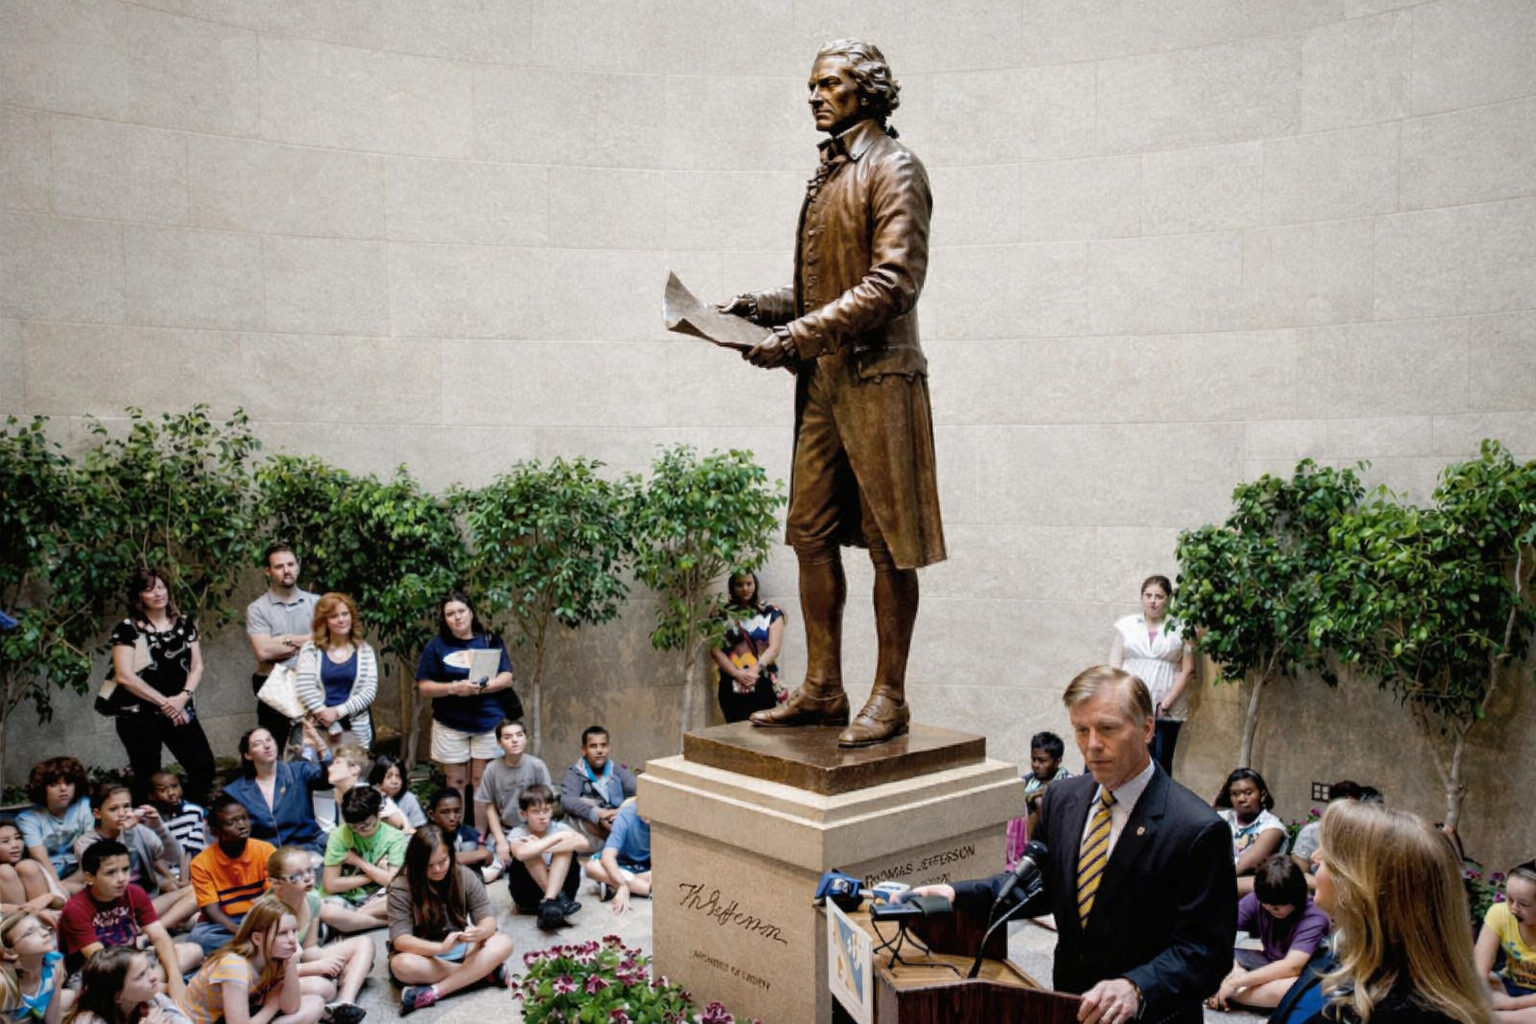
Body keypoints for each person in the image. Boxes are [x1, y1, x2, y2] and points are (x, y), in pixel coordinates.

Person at [720, 38, 945, 748]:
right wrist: (766, 307)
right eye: (813, 86)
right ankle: (822, 687)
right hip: (825, 381)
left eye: (830, 84)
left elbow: (893, 282)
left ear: (868, 91)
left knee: (888, 548)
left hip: (879, 382)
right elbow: (828, 290)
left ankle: (891, 696)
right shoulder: (827, 173)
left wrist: (797, 336)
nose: (814, 96)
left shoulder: (894, 167)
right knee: (809, 535)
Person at [919, 666, 1235, 1024]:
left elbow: (1207, 951)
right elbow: (1037, 885)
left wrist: (1137, 986)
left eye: (1108, 729)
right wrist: (954, 895)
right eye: (1081, 730)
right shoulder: (1062, 798)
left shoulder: (1197, 828)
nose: (1092, 745)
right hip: (1069, 1004)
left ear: (1147, 729)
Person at [1267, 800, 1490, 1024]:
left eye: (1329, 855)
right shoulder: (1348, 955)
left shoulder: (1400, 1012)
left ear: (1362, 887)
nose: (1315, 857)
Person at [107, 570, 217, 806]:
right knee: (147, 776)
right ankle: (153, 827)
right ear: (139, 596)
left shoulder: (185, 624)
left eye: (161, 587)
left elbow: (197, 667)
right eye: (149, 589)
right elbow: (124, 676)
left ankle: (189, 816)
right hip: (138, 715)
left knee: (203, 766)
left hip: (179, 708)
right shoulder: (127, 628)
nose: (157, 593)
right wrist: (165, 703)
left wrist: (182, 698)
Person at [385, 827, 512, 1016]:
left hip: (464, 949)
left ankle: (433, 992)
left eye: (443, 861)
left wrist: (480, 932)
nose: (437, 869)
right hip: (426, 956)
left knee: (504, 943)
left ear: (451, 855)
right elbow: (401, 940)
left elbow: (488, 921)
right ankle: (482, 974)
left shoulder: (464, 875)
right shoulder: (401, 887)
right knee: (401, 965)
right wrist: (440, 949)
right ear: (416, 863)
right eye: (429, 865)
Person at [415, 592, 516, 825]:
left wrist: (485, 686)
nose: (456, 617)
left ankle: (481, 835)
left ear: (471, 612)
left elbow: (507, 676)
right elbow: (425, 686)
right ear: (444, 618)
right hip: (450, 723)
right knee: (456, 781)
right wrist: (453, 688)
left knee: (481, 780)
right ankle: (457, 834)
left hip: (487, 720)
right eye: (450, 614)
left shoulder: (490, 639)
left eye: (461, 611)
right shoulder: (436, 646)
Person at [58, 840, 201, 1000]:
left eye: (125, 870)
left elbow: (159, 936)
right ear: (89, 877)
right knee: (76, 997)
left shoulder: (134, 892)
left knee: (194, 951)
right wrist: (166, 988)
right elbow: (103, 961)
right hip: (95, 973)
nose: (121, 878)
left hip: (134, 961)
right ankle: (147, 989)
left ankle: (140, 990)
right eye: (110, 873)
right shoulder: (75, 909)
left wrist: (176, 980)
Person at [1207, 855, 1331, 1010]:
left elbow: (1292, 966)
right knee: (1210, 952)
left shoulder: (1314, 915)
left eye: (1277, 907)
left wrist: (1236, 982)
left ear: (1296, 898)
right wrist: (1235, 969)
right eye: (1266, 905)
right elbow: (1221, 934)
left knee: (1294, 989)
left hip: (1299, 975)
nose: (1271, 909)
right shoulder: (1259, 900)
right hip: (1263, 963)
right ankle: (1230, 992)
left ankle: (1226, 993)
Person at [176, 895, 324, 1024]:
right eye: (283, 933)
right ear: (257, 939)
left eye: (294, 931)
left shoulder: (277, 958)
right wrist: (271, 1007)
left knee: (315, 1003)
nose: (293, 939)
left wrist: (291, 964)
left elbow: (291, 1008)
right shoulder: (235, 966)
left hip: (227, 1017)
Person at [264, 847, 371, 1024]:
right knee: (325, 988)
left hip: (296, 964)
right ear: (275, 883)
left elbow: (310, 949)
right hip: (271, 979)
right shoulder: (267, 913)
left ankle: (344, 1002)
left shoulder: (312, 898)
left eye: (309, 871)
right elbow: (266, 973)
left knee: (364, 943)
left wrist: (333, 961)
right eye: (295, 876)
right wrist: (317, 967)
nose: (307, 878)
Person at [71, 785, 193, 931]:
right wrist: (126, 835)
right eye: (113, 809)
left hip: (151, 898)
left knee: (196, 897)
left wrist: (158, 826)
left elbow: (174, 856)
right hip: (119, 906)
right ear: (97, 814)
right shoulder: (85, 844)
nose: (122, 813)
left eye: (127, 806)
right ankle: (158, 927)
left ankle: (154, 927)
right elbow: (116, 878)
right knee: (191, 904)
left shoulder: (138, 830)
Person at [1108, 575, 1194, 776]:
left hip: (1164, 708)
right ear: (1142, 597)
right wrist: (1120, 696)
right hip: (1129, 703)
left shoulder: (1181, 627)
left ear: (1168, 599)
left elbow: (1188, 670)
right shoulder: (1127, 625)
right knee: (1127, 755)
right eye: (1148, 595)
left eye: (1159, 596)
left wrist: (1165, 704)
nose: (1153, 601)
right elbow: (1115, 665)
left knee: (1161, 760)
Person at [246, 543, 319, 749]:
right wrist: (307, 640)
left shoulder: (317, 604)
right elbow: (264, 652)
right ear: (267, 571)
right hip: (273, 683)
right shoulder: (258, 609)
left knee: (308, 746)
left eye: (291, 564)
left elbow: (326, 643)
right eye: (279, 566)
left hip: (311, 682)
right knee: (273, 747)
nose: (286, 570)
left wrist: (283, 640)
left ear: (297, 566)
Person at [187, 797, 275, 957]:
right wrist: (242, 933)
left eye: (244, 818)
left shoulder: (265, 850)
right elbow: (212, 911)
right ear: (215, 831)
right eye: (231, 822)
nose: (242, 825)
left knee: (284, 920)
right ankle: (256, 947)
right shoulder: (201, 863)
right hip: (227, 923)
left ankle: (247, 948)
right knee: (198, 937)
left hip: (259, 915)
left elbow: (273, 895)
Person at [222, 728, 330, 855]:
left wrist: (321, 747)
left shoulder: (298, 771)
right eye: (258, 744)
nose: (267, 745)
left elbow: (329, 780)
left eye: (269, 740)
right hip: (265, 857)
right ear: (248, 755)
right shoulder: (235, 791)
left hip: (307, 849)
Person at [294, 594, 377, 752]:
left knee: (355, 772)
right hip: (319, 727)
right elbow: (305, 688)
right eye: (334, 616)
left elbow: (369, 692)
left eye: (345, 614)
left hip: (356, 727)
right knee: (318, 773)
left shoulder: (365, 650)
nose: (341, 620)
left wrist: (338, 712)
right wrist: (324, 715)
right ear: (324, 621)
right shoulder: (311, 649)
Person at [503, 785, 588, 931]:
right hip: (530, 896)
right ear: (524, 814)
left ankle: (548, 901)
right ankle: (553, 900)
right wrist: (554, 839)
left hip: (565, 892)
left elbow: (584, 844)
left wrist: (544, 846)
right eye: (535, 812)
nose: (542, 816)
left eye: (546, 810)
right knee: (529, 851)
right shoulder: (519, 832)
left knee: (565, 848)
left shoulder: (559, 828)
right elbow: (522, 854)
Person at [316, 789, 400, 931]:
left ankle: (352, 920)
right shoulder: (339, 835)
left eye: (366, 825)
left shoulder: (394, 837)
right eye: (353, 827)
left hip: (375, 900)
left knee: (405, 896)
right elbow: (330, 884)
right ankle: (376, 921)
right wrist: (375, 875)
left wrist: (358, 861)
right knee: (327, 909)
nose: (359, 831)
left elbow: (392, 881)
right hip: (342, 899)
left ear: (378, 813)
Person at [709, 573, 787, 722]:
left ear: (755, 584)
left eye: (749, 584)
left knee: (763, 733)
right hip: (730, 683)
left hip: (762, 681)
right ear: (732, 587)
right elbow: (715, 649)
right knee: (734, 732)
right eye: (739, 585)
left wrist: (753, 671)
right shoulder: (721, 614)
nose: (745, 588)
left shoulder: (771, 613)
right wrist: (736, 673)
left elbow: (774, 648)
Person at [474, 720, 550, 869]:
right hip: (505, 830)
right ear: (499, 743)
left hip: (534, 829)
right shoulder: (491, 769)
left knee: (544, 861)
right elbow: (490, 808)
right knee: (493, 868)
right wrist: (501, 841)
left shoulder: (537, 766)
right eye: (507, 737)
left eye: (519, 735)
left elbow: (546, 805)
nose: (515, 740)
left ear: (526, 738)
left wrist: (536, 835)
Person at [17, 758, 94, 898]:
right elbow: (39, 856)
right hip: (46, 878)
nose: (63, 788)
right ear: (43, 788)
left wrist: (63, 887)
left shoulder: (84, 806)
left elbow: (90, 850)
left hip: (81, 874)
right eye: (54, 784)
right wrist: (57, 887)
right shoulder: (28, 818)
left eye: (69, 782)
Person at [65, 945, 191, 1024]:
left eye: (149, 968)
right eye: (140, 976)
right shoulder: (89, 1021)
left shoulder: (152, 999)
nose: (153, 977)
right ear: (117, 996)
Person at [1475, 860, 1536, 1022]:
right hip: (1508, 987)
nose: (1514, 908)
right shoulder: (1499, 913)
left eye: (1524, 904)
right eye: (1509, 899)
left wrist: (1512, 1004)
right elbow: (1478, 969)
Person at [1290, 781, 1380, 890]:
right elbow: (1299, 876)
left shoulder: (1364, 835)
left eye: (1351, 808)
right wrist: (1328, 890)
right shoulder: (1312, 832)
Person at [558, 727, 636, 847]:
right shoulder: (575, 773)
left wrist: (618, 812)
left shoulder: (615, 771)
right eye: (593, 746)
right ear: (584, 750)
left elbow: (638, 788)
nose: (599, 750)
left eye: (603, 745)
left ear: (608, 747)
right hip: (586, 831)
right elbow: (567, 801)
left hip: (614, 822)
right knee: (584, 802)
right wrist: (597, 814)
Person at [1215, 767, 1287, 895]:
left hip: (1249, 885)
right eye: (1234, 794)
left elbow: (1249, 862)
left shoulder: (1272, 826)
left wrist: (1213, 882)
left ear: (1262, 794)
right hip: (1220, 878)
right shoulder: (1221, 817)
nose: (1241, 798)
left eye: (1248, 793)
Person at [1006, 730, 1070, 871]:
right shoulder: (1025, 782)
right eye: (1033, 759)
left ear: (1057, 761)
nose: (1036, 764)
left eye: (1042, 761)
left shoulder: (1068, 785)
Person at [319, 746, 409, 837]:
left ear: (354, 769)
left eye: (337, 763)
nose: (330, 769)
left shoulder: (369, 795)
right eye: (331, 764)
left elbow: (398, 822)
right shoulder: (326, 796)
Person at [583, 798, 651, 916]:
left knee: (662, 876)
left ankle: (611, 883)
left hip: (645, 869)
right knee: (591, 867)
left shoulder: (666, 817)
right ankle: (649, 890)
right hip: (621, 864)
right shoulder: (626, 815)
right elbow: (608, 855)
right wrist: (621, 883)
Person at [0, 910, 70, 1024]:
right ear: (10, 952)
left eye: (42, 927)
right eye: (30, 932)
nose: (44, 932)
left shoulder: (54, 965)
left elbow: (52, 1020)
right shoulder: (4, 983)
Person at [423, 791, 496, 885]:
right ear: (431, 815)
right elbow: (433, 861)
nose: (453, 818)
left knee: (470, 848)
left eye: (457, 811)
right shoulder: (425, 835)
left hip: (465, 883)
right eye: (445, 812)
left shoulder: (466, 831)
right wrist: (468, 857)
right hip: (435, 884)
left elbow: (487, 856)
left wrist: (452, 859)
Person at [145, 774, 204, 882]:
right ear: (151, 796)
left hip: (192, 870)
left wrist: (184, 880)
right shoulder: (148, 820)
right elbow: (154, 856)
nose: (172, 793)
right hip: (164, 874)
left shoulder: (193, 812)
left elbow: (193, 849)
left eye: (175, 787)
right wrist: (171, 879)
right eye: (163, 790)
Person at [0, 823, 58, 919]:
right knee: (5, 871)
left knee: (27, 867)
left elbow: (60, 900)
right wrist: (27, 909)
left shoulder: (31, 865)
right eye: (5, 841)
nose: (15, 845)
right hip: (10, 926)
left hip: (48, 919)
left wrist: (48, 898)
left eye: (18, 838)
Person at [368, 758, 423, 831]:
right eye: (389, 777)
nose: (394, 781)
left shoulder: (409, 799)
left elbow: (419, 827)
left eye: (398, 776)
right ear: (378, 779)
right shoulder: (369, 797)